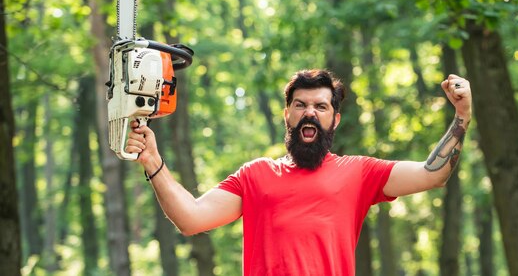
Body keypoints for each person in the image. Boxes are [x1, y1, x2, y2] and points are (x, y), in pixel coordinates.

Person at [127, 69, 472, 276]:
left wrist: (462, 116)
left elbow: (432, 174)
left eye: (320, 106)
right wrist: (153, 161)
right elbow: (191, 219)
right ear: (287, 115)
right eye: (300, 105)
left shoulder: (359, 172)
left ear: (334, 119)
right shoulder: (255, 175)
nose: (310, 113)